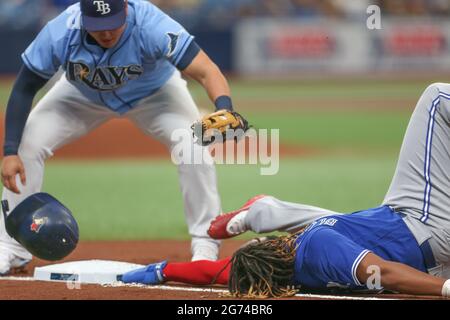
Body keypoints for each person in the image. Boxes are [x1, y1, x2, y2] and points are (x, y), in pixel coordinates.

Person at [121, 83, 450, 298]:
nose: (273, 242)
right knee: (436, 97)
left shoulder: (293, 277)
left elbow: (215, 272)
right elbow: (386, 273)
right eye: (265, 243)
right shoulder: (317, 245)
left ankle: (263, 210)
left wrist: (163, 270)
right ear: (277, 251)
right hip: (420, 223)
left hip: (423, 249)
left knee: (325, 221)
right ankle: (262, 210)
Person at [0, 0, 242, 275]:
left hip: (156, 94)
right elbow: (23, 88)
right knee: (26, 145)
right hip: (80, 95)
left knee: (194, 146)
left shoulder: (153, 25)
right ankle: (10, 247)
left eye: (113, 23)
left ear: (126, 8)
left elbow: (206, 70)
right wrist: (10, 151)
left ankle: (205, 245)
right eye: (97, 26)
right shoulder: (60, 31)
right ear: (82, 15)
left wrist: (225, 112)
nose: (106, 33)